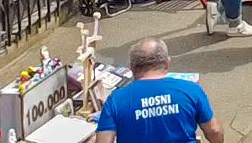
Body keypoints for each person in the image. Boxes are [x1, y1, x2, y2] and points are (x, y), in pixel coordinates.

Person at [93, 39, 224, 143]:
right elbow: (214, 130)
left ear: (132, 68)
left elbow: (104, 140)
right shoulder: (191, 90)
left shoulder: (116, 100)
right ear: (167, 63)